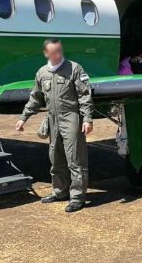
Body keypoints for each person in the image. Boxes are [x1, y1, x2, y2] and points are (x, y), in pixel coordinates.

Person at [15, 38, 94, 213]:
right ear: (46, 53)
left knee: (75, 158)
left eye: (59, 51)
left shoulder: (74, 69)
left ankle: (77, 197)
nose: (57, 55)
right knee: (55, 158)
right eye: (53, 52)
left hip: (71, 117)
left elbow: (85, 95)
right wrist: (23, 118)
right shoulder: (42, 73)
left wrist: (87, 119)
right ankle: (59, 192)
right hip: (53, 119)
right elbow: (35, 98)